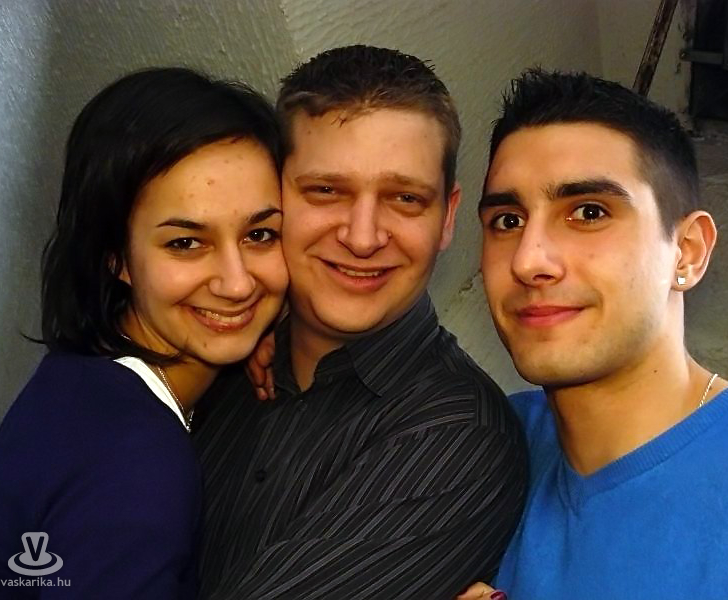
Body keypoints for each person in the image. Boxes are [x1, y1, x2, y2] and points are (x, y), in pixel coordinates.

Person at [193, 45, 527, 599]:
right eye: (326, 190)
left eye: (404, 198)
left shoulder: (455, 437)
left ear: (447, 217)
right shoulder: (219, 350)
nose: (363, 237)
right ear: (270, 196)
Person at [460, 69, 728, 599]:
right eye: (507, 221)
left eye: (588, 212)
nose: (528, 260)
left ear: (687, 252)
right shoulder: (476, 448)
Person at [0, 67, 288, 599]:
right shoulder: (138, 464)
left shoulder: (79, 375)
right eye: (185, 243)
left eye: (260, 235)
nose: (238, 283)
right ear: (117, 258)